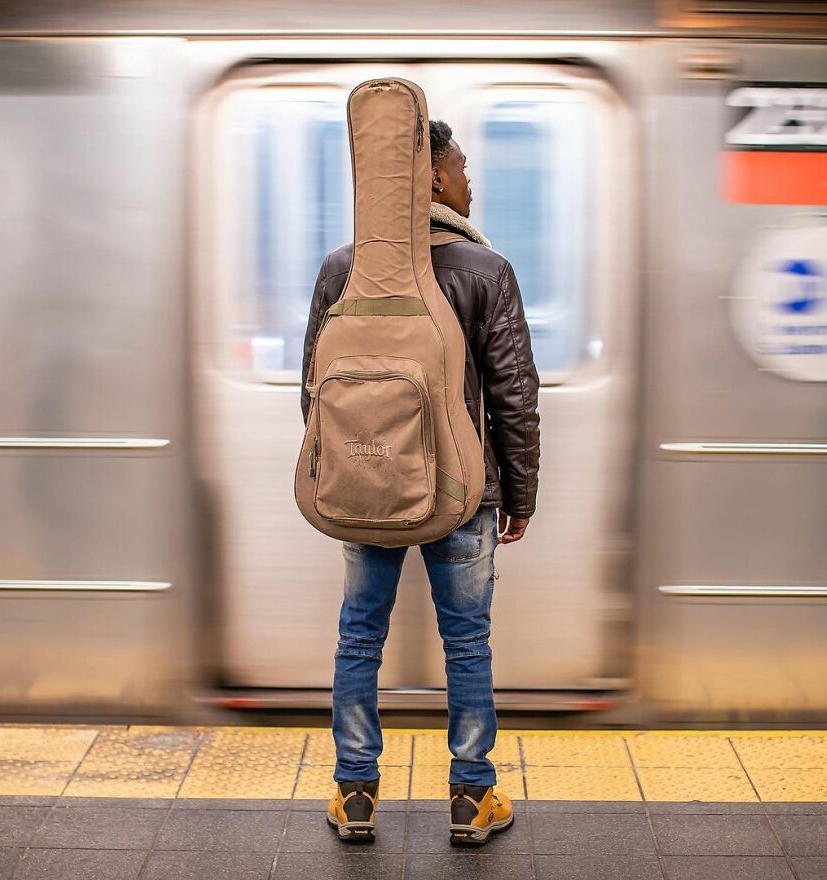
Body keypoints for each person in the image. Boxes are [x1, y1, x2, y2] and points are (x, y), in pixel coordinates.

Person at [300, 119, 540, 846]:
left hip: (366, 486)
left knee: (358, 637)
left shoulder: (344, 267)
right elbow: (514, 394)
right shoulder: (485, 271)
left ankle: (355, 793)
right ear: (432, 178)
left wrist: (347, 469)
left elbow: (315, 390)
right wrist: (519, 494)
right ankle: (472, 798)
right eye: (462, 168)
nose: (470, 183)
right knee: (467, 641)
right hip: (465, 493)